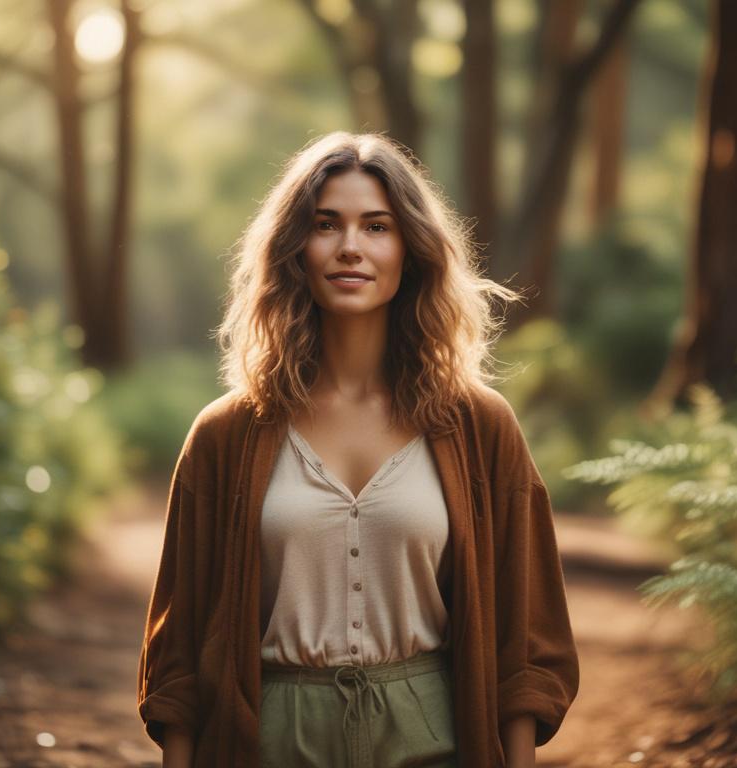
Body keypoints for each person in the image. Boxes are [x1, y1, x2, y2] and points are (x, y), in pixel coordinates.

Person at [137, 131, 579, 768]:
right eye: (326, 225)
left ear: (411, 249)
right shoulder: (224, 435)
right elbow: (176, 660)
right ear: (295, 249)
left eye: (377, 226)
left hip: (435, 733)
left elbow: (526, 642)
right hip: (268, 738)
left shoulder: (481, 426)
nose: (350, 247)